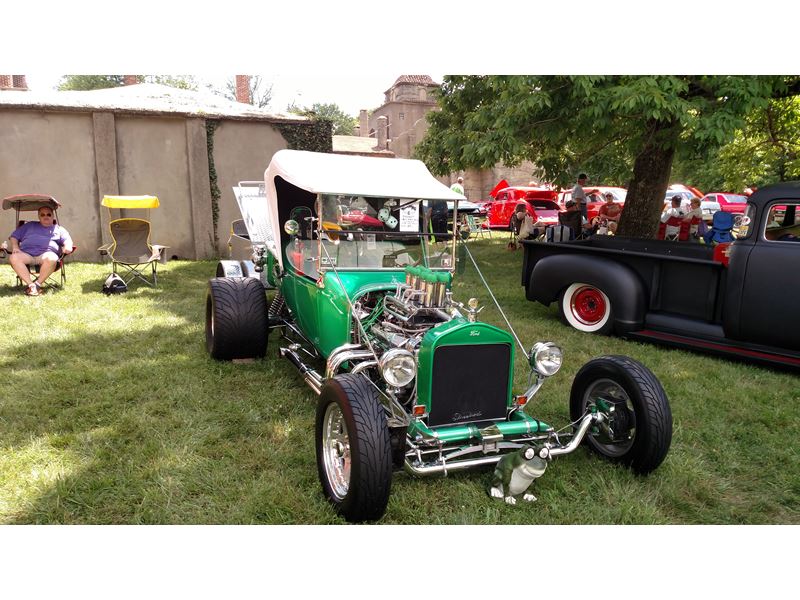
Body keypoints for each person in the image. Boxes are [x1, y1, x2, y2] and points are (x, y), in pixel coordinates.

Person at [8, 206, 73, 296]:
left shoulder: (59, 229)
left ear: (53, 216)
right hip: (27, 255)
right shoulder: (29, 225)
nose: (45, 216)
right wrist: (15, 247)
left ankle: (37, 285)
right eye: (42, 215)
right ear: (39, 216)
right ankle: (31, 285)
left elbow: (67, 240)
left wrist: (68, 246)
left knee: (52, 257)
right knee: (14, 257)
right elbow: (14, 236)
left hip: (46, 255)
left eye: (48, 214)